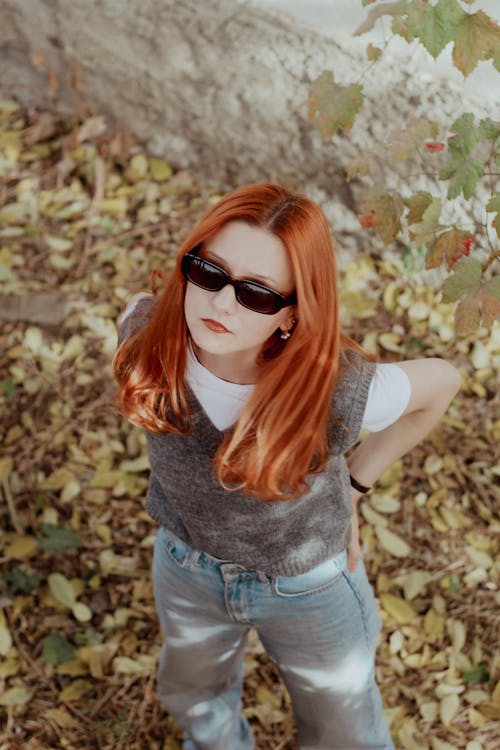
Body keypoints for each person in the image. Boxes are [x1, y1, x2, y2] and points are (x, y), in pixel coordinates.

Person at [113, 183, 461, 750]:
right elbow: (136, 307)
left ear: (292, 315)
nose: (221, 304)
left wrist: (354, 484)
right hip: (187, 564)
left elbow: (443, 382)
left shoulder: (337, 389)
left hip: (307, 584)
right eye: (209, 272)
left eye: (256, 294)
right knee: (195, 693)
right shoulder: (147, 339)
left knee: (342, 725)